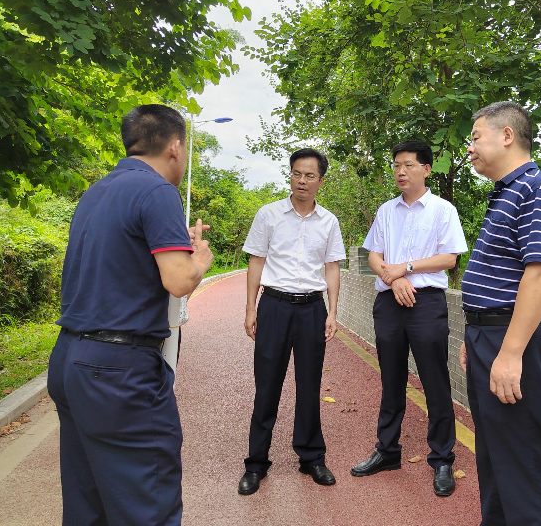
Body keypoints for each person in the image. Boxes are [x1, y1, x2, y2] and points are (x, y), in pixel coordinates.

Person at [48, 104, 214, 525]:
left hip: (70, 358)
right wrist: (202, 261)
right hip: (118, 370)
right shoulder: (158, 191)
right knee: (148, 500)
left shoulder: (98, 190)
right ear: (175, 146)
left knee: (89, 499)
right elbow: (178, 280)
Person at [459, 101, 541, 525]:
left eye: (475, 136)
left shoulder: (537, 189)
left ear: (507, 136)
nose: (470, 148)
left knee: (525, 467)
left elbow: (540, 276)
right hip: (492, 336)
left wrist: (509, 352)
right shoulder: (508, 191)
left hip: (514, 339)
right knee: (495, 458)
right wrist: (478, 338)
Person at [350, 140, 468, 496]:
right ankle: (387, 451)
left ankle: (443, 457)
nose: (401, 171)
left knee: (434, 380)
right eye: (397, 165)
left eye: (408, 165)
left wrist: (408, 269)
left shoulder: (443, 210)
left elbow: (449, 258)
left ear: (426, 169)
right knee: (391, 379)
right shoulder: (387, 211)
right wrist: (395, 277)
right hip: (389, 302)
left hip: (427, 302)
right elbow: (373, 255)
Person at [238, 148, 346, 495]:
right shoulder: (268, 215)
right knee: (266, 385)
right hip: (274, 306)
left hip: (312, 309)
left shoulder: (328, 221)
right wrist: (251, 308)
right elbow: (257, 261)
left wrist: (332, 311)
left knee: (309, 385)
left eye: (310, 175)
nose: (302, 180)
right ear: (291, 175)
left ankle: (311, 457)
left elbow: (332, 267)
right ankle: (256, 463)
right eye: (297, 173)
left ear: (321, 181)